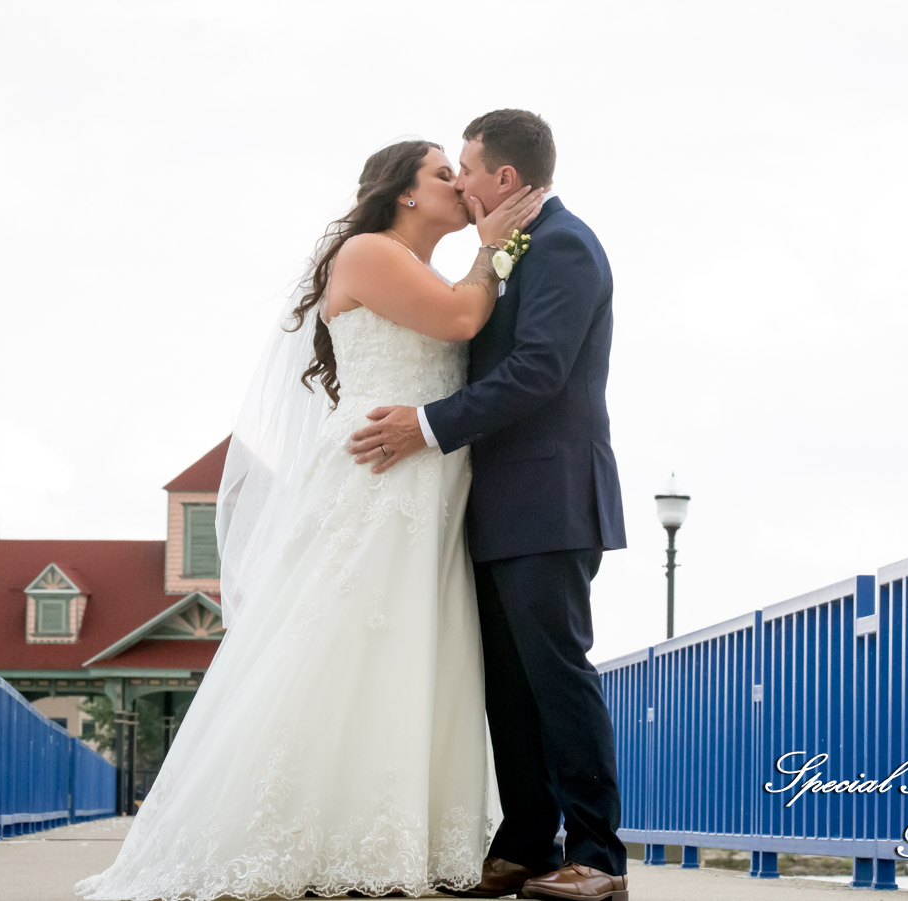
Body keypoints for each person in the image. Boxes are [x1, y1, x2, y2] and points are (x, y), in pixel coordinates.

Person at [72, 139, 545, 901]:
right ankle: (285, 829)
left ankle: (390, 830)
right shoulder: (369, 251)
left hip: (430, 478)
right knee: (341, 635)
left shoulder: (419, 264)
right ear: (405, 194)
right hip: (377, 473)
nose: (457, 182)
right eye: (440, 173)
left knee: (411, 647)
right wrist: (493, 248)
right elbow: (461, 321)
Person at [346, 109, 629, 901]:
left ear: (504, 177)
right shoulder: (511, 252)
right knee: (508, 684)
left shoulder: (566, 246)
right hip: (495, 504)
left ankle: (600, 858)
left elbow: (539, 370)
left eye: (465, 169)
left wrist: (427, 424)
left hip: (549, 498)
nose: (461, 183)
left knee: (557, 675)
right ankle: (528, 846)